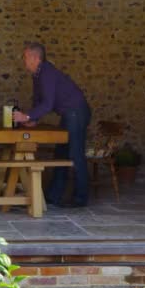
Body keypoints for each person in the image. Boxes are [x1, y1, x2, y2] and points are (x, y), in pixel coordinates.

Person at [13, 42, 91, 208]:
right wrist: (33, 119)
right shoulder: (37, 74)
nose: (23, 60)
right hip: (69, 113)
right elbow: (38, 100)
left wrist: (26, 115)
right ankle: (54, 196)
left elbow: (48, 104)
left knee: (75, 154)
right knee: (61, 154)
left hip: (76, 112)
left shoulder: (47, 72)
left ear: (35, 58)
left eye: (25, 57)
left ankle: (80, 199)